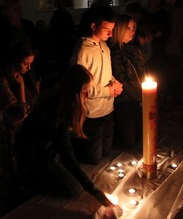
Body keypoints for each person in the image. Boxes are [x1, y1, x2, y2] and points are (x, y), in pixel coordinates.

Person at [14, 65, 123, 218]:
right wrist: (95, 192)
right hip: (33, 152)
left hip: (47, 145)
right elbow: (67, 156)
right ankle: (31, 181)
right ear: (75, 91)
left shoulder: (62, 95)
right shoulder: (57, 109)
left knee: (77, 161)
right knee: (74, 188)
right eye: (85, 90)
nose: (88, 94)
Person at [70, 6, 123, 165]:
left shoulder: (104, 46)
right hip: (92, 112)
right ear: (93, 26)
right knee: (94, 159)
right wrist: (107, 90)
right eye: (106, 29)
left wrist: (114, 81)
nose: (110, 34)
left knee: (106, 152)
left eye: (112, 30)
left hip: (108, 108)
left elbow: (104, 72)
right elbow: (78, 84)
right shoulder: (83, 49)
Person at [0, 41, 38, 179]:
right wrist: (22, 88)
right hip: (14, 130)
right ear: (15, 60)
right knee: (15, 171)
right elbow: (19, 113)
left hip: (27, 128)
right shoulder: (3, 81)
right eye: (25, 63)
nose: (29, 67)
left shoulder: (26, 75)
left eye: (30, 63)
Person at [110, 14, 146, 149]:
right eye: (128, 28)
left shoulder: (134, 49)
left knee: (139, 136)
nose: (132, 31)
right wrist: (140, 96)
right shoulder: (116, 53)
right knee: (128, 141)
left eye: (133, 28)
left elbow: (142, 72)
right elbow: (122, 79)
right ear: (119, 30)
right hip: (125, 101)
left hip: (137, 98)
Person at [49, 0, 76, 77]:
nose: (64, 3)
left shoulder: (67, 15)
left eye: (65, 1)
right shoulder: (56, 17)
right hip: (61, 47)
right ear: (58, 2)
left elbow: (72, 29)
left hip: (68, 46)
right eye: (62, 1)